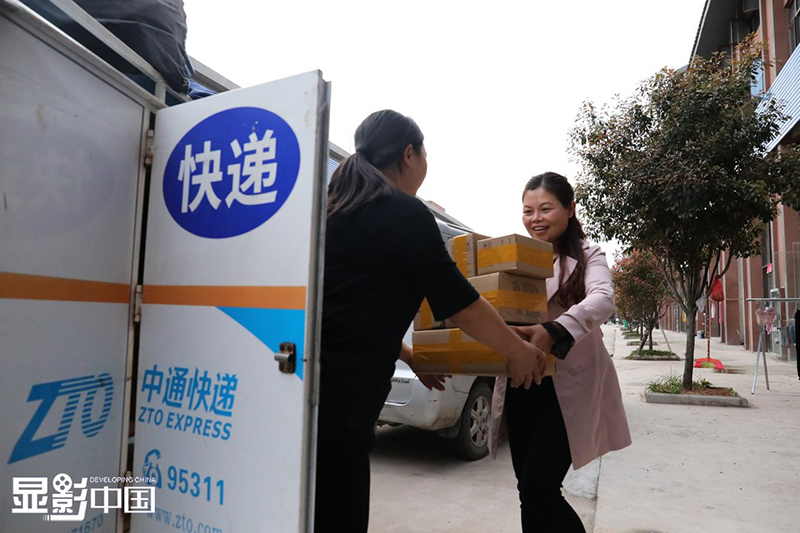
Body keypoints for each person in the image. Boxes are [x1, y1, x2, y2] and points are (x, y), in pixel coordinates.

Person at [315, 110, 549, 533]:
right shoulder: (403, 213)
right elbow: (458, 301)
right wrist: (518, 352)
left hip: (306, 395)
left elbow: (351, 313)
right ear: (410, 154)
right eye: (425, 154)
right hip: (343, 406)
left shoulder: (334, 211)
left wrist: (409, 355)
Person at [489, 172, 632, 533]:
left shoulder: (588, 254)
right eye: (528, 210)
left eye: (546, 208)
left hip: (570, 388)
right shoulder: (515, 259)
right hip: (525, 380)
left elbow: (603, 299)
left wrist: (554, 330)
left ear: (569, 209)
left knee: (539, 489)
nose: (535, 218)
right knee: (528, 490)